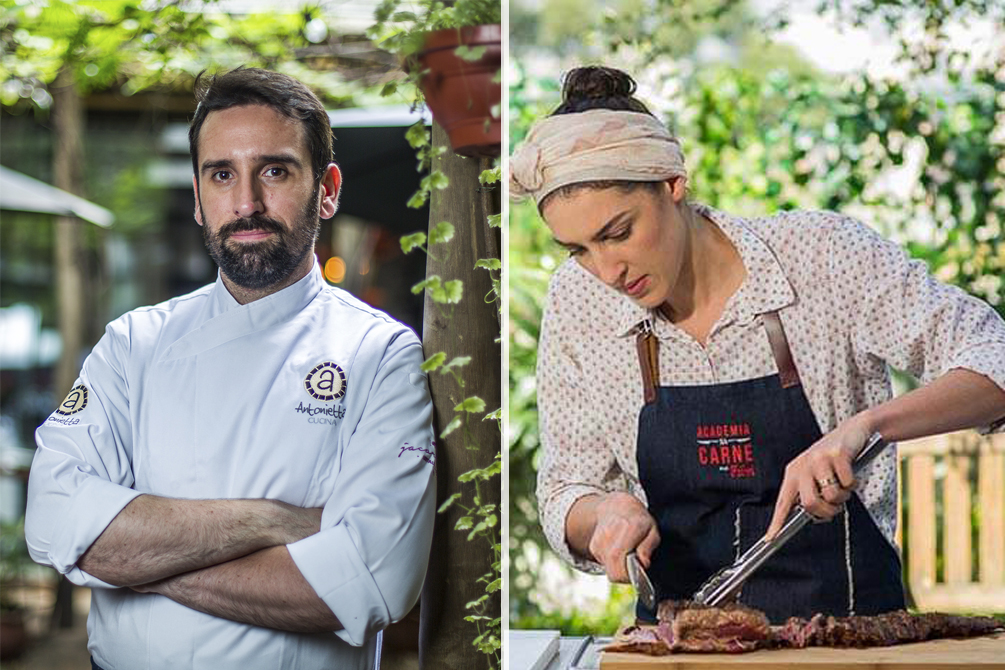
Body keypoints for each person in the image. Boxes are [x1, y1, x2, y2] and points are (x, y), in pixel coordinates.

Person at [512, 66, 1005, 624]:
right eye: (577, 249)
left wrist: (866, 428)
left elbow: (995, 358)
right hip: (683, 650)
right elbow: (564, 489)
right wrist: (603, 514)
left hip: (849, 645)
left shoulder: (821, 256)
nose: (605, 270)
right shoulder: (579, 300)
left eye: (618, 233)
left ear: (674, 184)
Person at [25, 68, 436, 670]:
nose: (246, 202)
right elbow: (53, 520)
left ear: (327, 189)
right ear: (197, 196)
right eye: (222, 174)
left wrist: (129, 564)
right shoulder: (134, 343)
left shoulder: (380, 355)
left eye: (274, 170)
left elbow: (371, 580)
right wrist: (273, 522)